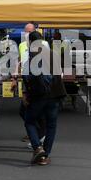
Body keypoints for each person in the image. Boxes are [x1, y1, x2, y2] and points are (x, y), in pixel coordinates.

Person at [22, 31, 66, 165]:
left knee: (29, 121)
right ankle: (45, 156)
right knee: (51, 124)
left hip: (39, 95)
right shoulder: (53, 54)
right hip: (55, 94)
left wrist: (26, 94)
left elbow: (27, 78)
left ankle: (37, 147)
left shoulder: (31, 56)